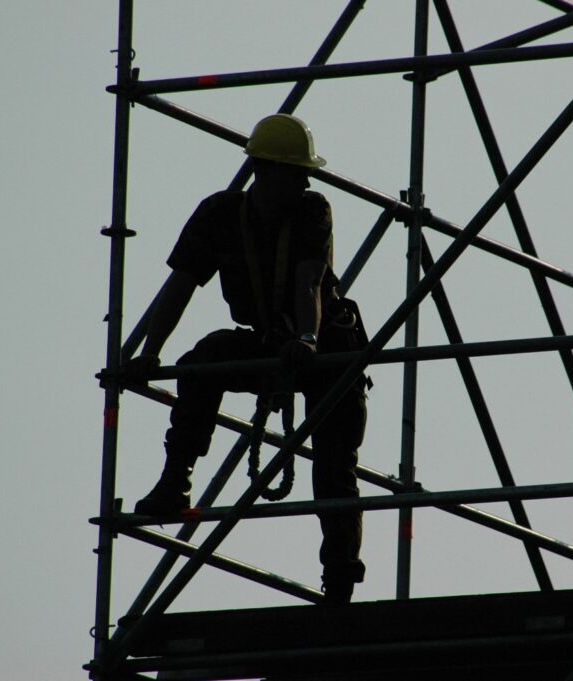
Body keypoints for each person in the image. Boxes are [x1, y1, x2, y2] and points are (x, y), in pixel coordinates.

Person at [124, 114, 368, 604]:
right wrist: (150, 354)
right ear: (262, 168)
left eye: (303, 172)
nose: (303, 180)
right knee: (201, 363)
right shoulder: (218, 215)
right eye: (293, 171)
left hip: (330, 349)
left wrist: (306, 337)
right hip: (268, 340)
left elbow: (308, 282)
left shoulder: (311, 210)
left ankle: (339, 576)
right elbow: (179, 286)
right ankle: (176, 482)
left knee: (334, 467)